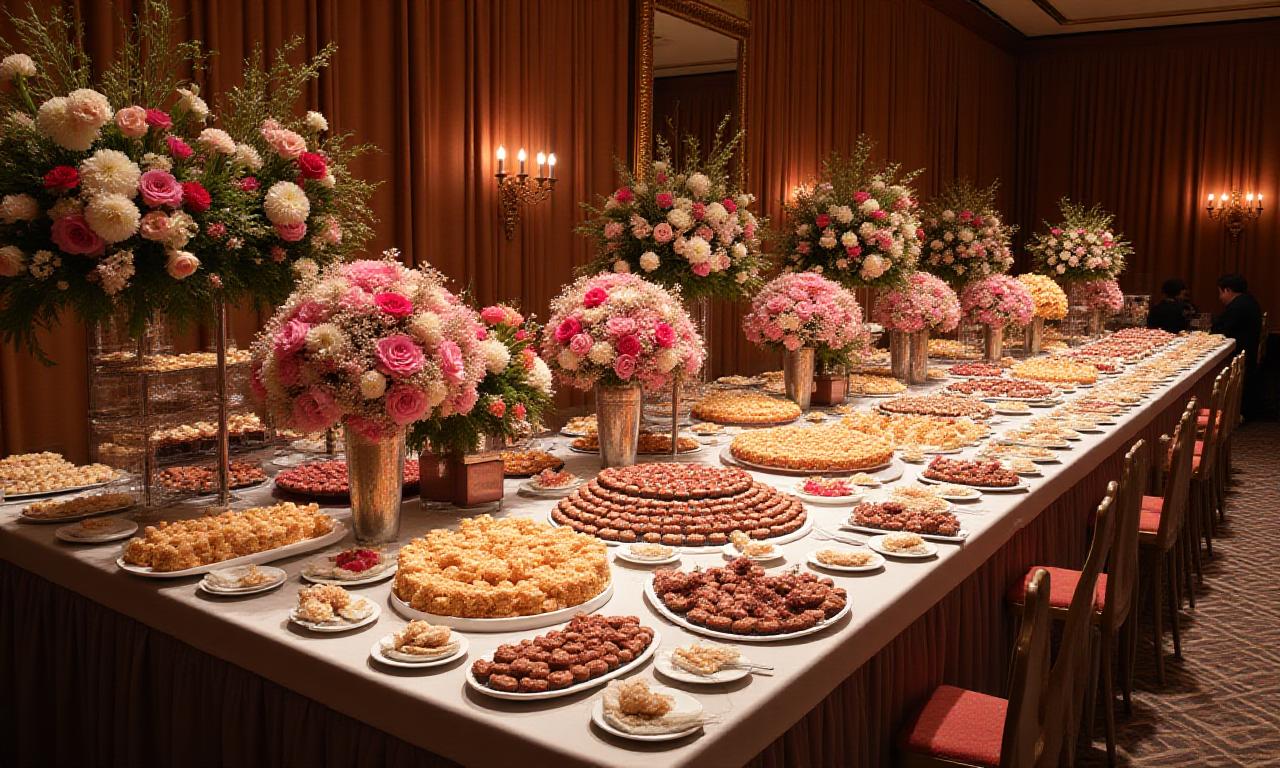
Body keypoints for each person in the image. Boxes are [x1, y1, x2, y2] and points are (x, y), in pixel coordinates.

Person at [1211, 273, 1264, 417]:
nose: (1220, 297)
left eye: (1220, 292)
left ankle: (1230, 412)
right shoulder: (1247, 301)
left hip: (1241, 352)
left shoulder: (1238, 306)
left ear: (1227, 290)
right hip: (1247, 349)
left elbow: (1223, 331)